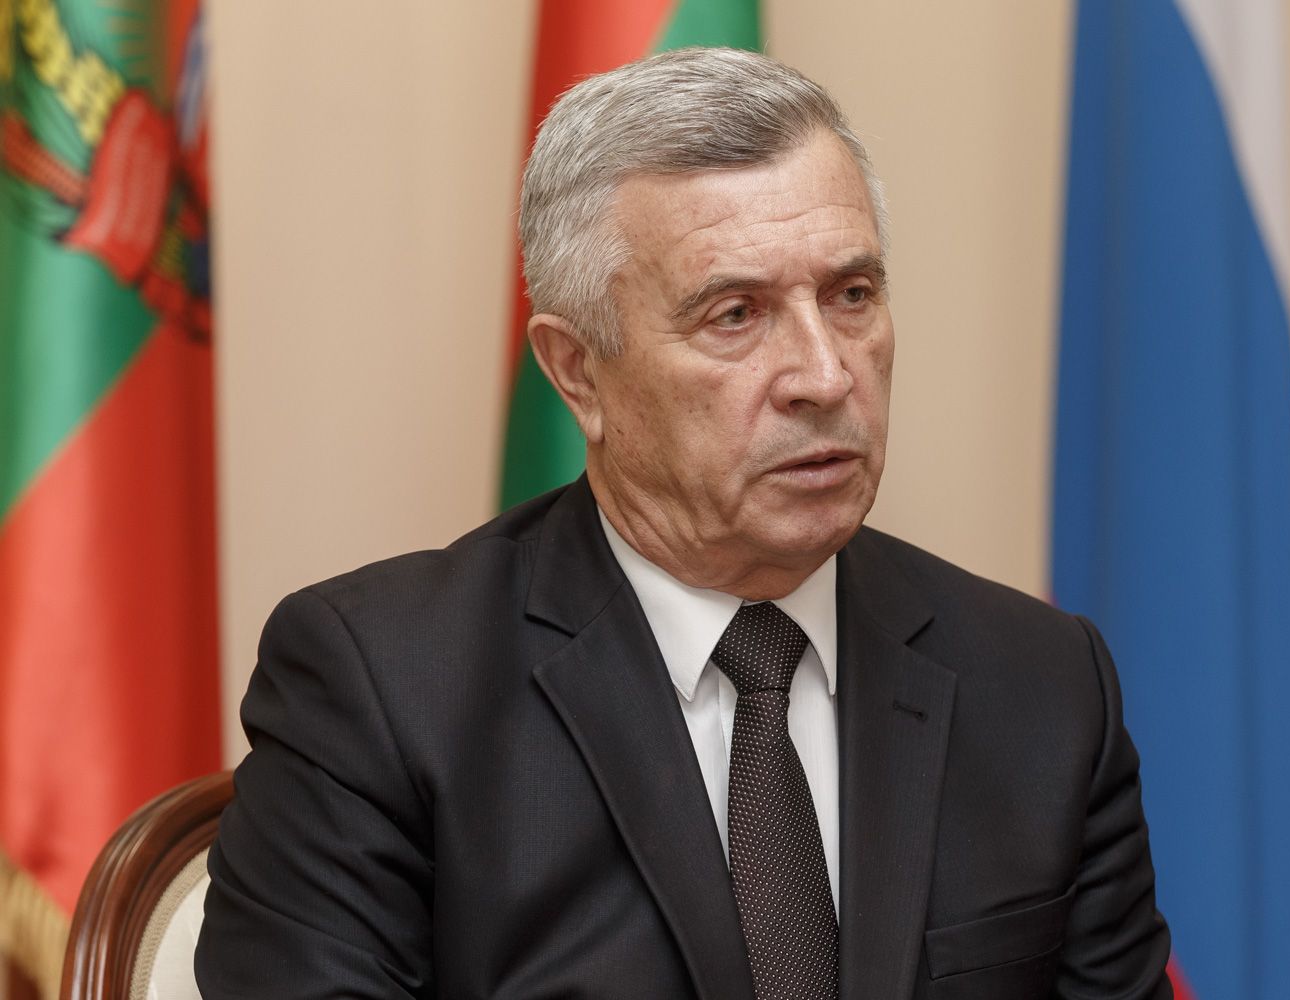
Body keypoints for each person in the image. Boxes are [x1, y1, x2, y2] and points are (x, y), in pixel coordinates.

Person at [196, 47, 1171, 1000]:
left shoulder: (1043, 687)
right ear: (579, 371)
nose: (826, 375)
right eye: (735, 314)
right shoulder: (384, 690)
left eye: (852, 295)